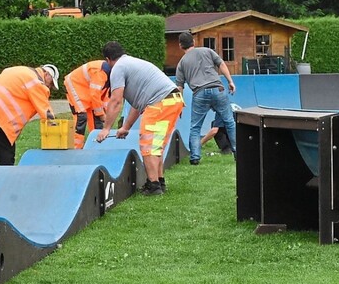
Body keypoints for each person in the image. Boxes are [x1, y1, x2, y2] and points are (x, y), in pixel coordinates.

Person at [95, 41, 184, 196]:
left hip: (160, 102)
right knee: (156, 144)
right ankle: (159, 181)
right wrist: (126, 127)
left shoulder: (118, 68)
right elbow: (137, 105)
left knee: (148, 144)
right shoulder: (132, 63)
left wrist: (106, 128)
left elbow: (116, 101)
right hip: (173, 99)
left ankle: (153, 186)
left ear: (108, 60)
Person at [0, 64, 58, 165]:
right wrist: (57, 127)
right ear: (46, 74)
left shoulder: (21, 70)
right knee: (5, 155)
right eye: (51, 84)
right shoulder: (36, 82)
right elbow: (47, 113)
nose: (49, 87)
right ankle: (6, 179)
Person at [174, 31, 237, 165]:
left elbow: (179, 87)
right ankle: (238, 152)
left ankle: (195, 157)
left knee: (195, 127)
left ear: (180, 46)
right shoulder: (207, 51)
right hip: (218, 89)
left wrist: (178, 104)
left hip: (199, 93)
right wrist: (230, 81)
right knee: (229, 122)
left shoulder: (181, 63)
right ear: (194, 42)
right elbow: (221, 64)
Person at [64, 60, 112, 149]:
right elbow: (95, 94)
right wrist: (101, 114)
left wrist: (105, 113)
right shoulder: (100, 72)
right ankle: (75, 148)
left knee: (96, 118)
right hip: (74, 84)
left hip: (86, 87)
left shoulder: (111, 75)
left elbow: (105, 97)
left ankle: (96, 146)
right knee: (81, 116)